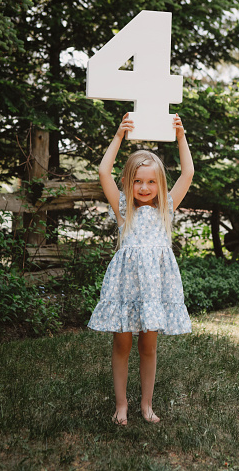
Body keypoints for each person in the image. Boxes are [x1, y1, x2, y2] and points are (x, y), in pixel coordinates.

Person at [87, 112, 194, 425]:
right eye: (137, 181)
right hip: (125, 288)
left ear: (160, 184)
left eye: (150, 181)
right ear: (128, 182)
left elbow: (187, 173)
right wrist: (120, 135)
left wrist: (181, 136)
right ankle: (121, 404)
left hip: (154, 290)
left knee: (149, 345)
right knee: (122, 343)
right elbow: (103, 170)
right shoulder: (123, 209)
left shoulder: (166, 208)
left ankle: (146, 405)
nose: (144, 187)